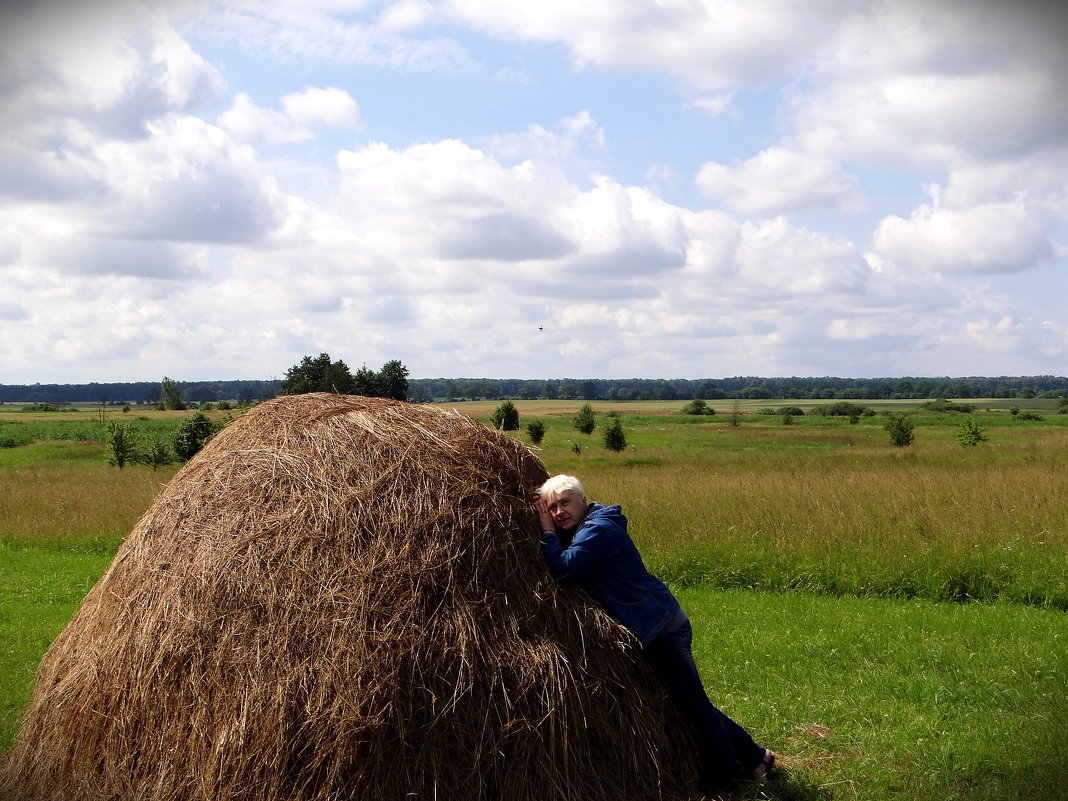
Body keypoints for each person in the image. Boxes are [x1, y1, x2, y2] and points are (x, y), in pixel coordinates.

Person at [533, 474, 776, 793]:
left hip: (660, 627)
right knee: (687, 699)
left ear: (582, 500)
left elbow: (564, 569)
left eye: (565, 502)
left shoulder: (597, 531)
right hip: (654, 624)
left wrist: (548, 533)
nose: (559, 511)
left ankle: (725, 777)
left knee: (695, 706)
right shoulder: (589, 528)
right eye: (551, 508)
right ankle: (756, 756)